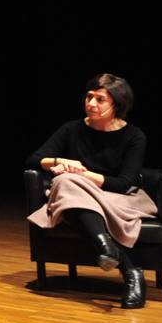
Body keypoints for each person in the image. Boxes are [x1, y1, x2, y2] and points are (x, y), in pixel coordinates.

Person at [26, 73, 152, 308]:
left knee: (67, 185)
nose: (91, 103)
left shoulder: (134, 136)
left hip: (116, 197)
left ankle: (113, 253)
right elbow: (34, 160)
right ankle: (128, 267)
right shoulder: (71, 129)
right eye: (89, 97)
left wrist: (80, 173)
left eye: (100, 99)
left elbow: (123, 183)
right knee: (67, 186)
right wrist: (61, 161)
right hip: (77, 196)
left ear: (117, 104)